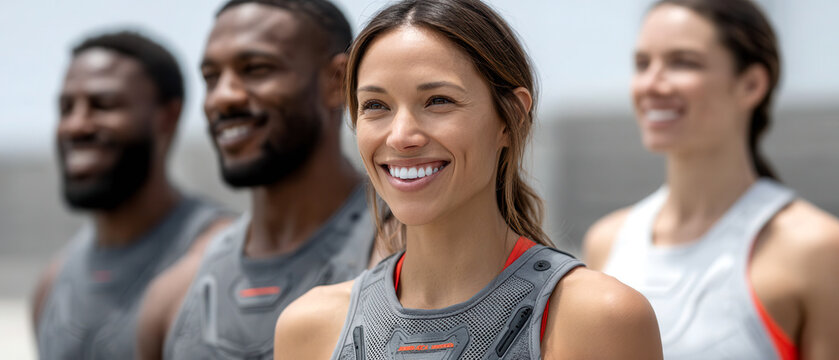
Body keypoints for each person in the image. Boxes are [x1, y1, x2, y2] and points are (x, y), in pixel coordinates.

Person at [274, 0, 663, 359]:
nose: (401, 136)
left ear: (512, 118)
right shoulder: (309, 328)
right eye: (376, 106)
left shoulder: (599, 318)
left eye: (438, 101)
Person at [584, 0, 839, 358]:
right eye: (643, 64)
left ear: (751, 84)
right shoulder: (607, 241)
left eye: (682, 62)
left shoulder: (816, 248)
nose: (652, 84)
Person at [136, 1, 378, 359]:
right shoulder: (172, 297)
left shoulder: (405, 253)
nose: (223, 97)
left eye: (256, 69)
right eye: (211, 78)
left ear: (337, 81)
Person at [31, 31, 232, 360]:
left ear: (167, 116)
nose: (76, 125)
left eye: (103, 105)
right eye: (66, 108)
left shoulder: (219, 260)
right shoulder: (54, 283)